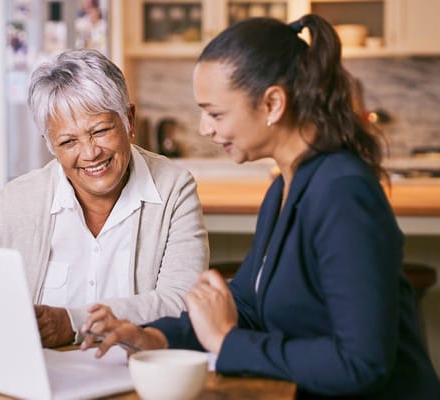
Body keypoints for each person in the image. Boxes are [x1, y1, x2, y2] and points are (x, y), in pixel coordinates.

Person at [81, 15, 440, 398]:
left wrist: (227, 341)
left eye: (216, 113)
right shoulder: (285, 187)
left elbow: (360, 363)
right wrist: (153, 336)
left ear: (272, 103)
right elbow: (250, 302)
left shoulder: (343, 193)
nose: (204, 128)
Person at [0, 49, 209, 348]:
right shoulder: (22, 199)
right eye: (68, 141)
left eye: (100, 130)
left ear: (129, 120)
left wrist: (71, 323)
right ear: (49, 144)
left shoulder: (173, 188)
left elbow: (183, 302)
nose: (89, 153)